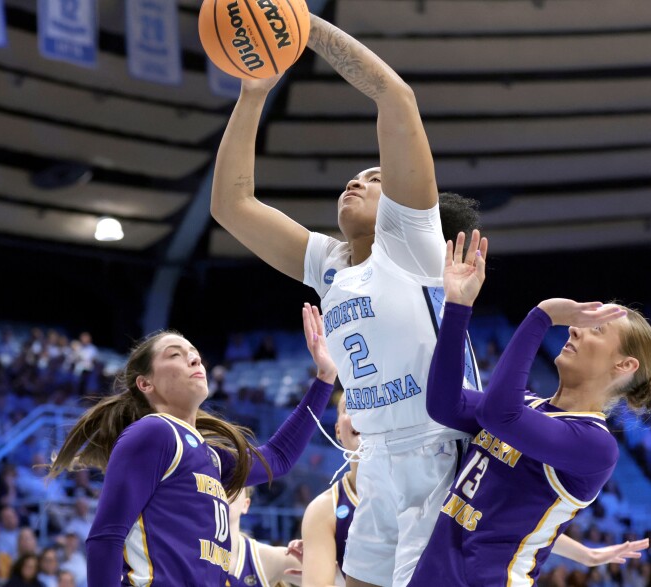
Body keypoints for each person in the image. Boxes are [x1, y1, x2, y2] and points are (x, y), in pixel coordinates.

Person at [211, 14, 481, 587]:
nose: (356, 182)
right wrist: (254, 92)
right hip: (376, 457)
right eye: (353, 177)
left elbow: (395, 96)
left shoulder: (413, 243)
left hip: (442, 450)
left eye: (375, 177)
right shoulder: (328, 265)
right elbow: (231, 206)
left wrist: (299, 24)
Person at [408, 231, 651, 586]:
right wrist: (457, 306)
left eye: (596, 328)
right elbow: (443, 403)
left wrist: (542, 314)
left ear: (624, 366)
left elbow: (499, 415)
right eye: (581, 322)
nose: (576, 329)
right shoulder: (529, 405)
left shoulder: (595, 445)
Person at [49, 306, 336, 586]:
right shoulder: (154, 432)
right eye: (176, 355)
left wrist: (325, 378)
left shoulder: (209, 455)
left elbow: (278, 457)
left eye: (196, 356)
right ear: (145, 384)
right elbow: (106, 538)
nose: (195, 360)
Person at [300, 392, 649, 587]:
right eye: (350, 410)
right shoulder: (326, 509)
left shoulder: (436, 468)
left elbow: (500, 523)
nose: (359, 416)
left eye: (365, 406)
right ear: (338, 428)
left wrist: (585, 554)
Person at [225, 487, 302, 587]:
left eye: (232, 485)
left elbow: (325, 578)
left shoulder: (267, 558)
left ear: (246, 504)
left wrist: (319, 560)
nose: (222, 491)